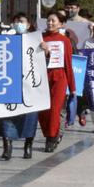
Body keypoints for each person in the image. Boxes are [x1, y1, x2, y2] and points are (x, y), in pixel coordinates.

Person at [0, 13, 39, 160]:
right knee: (6, 114)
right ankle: (7, 146)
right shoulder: (6, 40)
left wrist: (44, 50)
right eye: (16, 21)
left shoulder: (35, 40)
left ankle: (28, 144)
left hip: (29, 84)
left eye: (22, 21)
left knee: (30, 115)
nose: (18, 24)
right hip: (9, 82)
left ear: (28, 25)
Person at [39, 11, 76, 152]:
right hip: (43, 76)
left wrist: (72, 87)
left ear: (60, 24)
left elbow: (68, 64)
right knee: (43, 110)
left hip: (59, 77)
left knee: (55, 109)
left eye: (53, 21)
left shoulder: (64, 40)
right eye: (48, 20)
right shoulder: (40, 38)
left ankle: (52, 138)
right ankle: (49, 134)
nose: (50, 23)